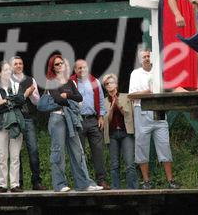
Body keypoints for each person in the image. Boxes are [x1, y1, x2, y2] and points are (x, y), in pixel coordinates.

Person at [45, 54, 103, 192]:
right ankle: (60, 184)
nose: (60, 66)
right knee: (58, 151)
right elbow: (58, 100)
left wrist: (68, 97)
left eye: (61, 63)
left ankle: (83, 183)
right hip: (57, 118)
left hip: (71, 119)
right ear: (52, 68)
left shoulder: (70, 82)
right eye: (56, 64)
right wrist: (70, 100)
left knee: (78, 151)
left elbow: (79, 97)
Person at [128, 49, 179, 190]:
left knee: (164, 145)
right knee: (142, 146)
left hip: (159, 111)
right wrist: (147, 92)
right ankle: (146, 181)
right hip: (142, 111)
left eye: (148, 56)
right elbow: (131, 95)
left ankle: (171, 180)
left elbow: (168, 89)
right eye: (143, 56)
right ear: (140, 60)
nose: (146, 58)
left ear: (152, 58)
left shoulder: (159, 72)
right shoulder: (136, 73)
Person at [70, 59, 110, 190]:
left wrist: (101, 116)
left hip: (93, 120)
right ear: (75, 70)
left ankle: (101, 180)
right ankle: (82, 181)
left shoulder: (95, 81)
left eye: (84, 67)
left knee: (98, 151)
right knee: (79, 152)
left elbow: (101, 101)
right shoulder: (71, 82)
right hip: (78, 120)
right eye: (79, 68)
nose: (82, 70)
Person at [10, 56, 46, 190]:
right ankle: (18, 183)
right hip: (14, 118)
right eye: (16, 64)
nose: (18, 66)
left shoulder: (31, 80)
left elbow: (37, 102)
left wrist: (31, 94)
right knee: (15, 152)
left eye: (20, 63)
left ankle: (36, 182)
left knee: (33, 150)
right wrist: (24, 94)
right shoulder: (8, 80)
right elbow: (11, 100)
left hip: (28, 118)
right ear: (11, 66)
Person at [0, 61, 25, 193]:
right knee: (2, 156)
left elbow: (21, 100)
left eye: (9, 70)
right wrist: (12, 101)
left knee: (15, 156)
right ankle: (3, 185)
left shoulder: (16, 85)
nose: (8, 72)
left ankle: (15, 184)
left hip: (15, 123)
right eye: (5, 70)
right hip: (1, 125)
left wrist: (5, 100)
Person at [102, 73, 137, 189]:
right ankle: (115, 189)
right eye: (106, 84)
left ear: (116, 84)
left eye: (111, 82)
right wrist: (112, 108)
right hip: (112, 135)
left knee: (130, 163)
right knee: (114, 165)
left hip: (126, 133)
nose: (109, 85)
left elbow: (129, 115)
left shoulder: (126, 97)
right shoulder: (104, 101)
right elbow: (107, 120)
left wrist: (118, 105)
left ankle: (132, 189)